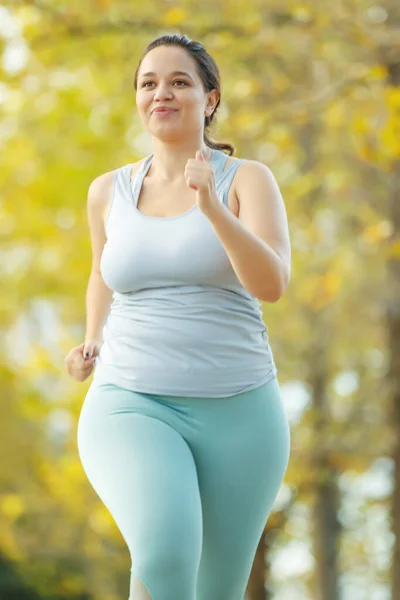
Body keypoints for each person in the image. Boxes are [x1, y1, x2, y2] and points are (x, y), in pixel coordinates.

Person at [65, 33, 291, 600]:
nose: (161, 93)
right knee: (165, 556)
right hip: (132, 398)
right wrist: (91, 337)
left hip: (241, 411)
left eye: (179, 81)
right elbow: (102, 271)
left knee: (214, 590)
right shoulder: (107, 191)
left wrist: (212, 208)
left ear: (209, 99)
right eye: (148, 83)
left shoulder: (247, 179)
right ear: (138, 98)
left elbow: (272, 284)